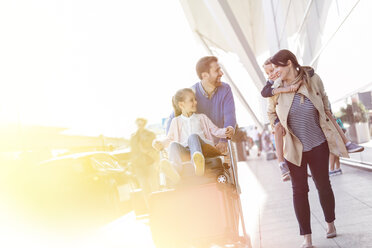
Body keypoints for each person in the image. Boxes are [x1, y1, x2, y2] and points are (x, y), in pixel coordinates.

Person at [267, 49, 349, 248]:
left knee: (323, 185)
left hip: (318, 143)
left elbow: (325, 101)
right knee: (299, 191)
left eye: (277, 66)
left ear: (288, 63)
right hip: (293, 148)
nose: (274, 71)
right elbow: (270, 113)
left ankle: (330, 224)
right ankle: (307, 238)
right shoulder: (275, 89)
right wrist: (275, 124)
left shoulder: (312, 79)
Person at [153, 88, 234, 183]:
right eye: (191, 100)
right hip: (186, 151)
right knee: (173, 145)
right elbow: (169, 139)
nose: (195, 102)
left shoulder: (201, 118)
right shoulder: (176, 121)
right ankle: (174, 170)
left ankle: (197, 162)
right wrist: (160, 143)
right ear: (181, 105)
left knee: (192, 137)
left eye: (195, 99)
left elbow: (216, 131)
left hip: (203, 148)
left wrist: (227, 131)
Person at [166, 56, 237, 155]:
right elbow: (174, 116)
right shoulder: (191, 93)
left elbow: (230, 116)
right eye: (217, 70)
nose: (221, 73)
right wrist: (170, 146)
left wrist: (223, 140)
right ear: (205, 75)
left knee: (228, 165)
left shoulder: (225, 89)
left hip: (221, 140)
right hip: (197, 146)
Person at [130, 118, 159, 194]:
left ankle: (159, 204)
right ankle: (149, 205)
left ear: (144, 124)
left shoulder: (151, 134)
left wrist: (146, 150)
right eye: (138, 123)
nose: (140, 125)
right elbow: (132, 152)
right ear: (136, 124)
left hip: (150, 162)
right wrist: (132, 165)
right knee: (144, 188)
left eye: (142, 123)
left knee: (154, 187)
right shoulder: (133, 137)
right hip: (138, 165)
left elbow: (155, 149)